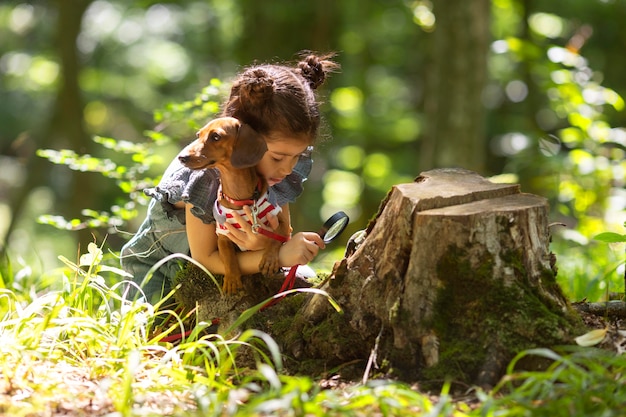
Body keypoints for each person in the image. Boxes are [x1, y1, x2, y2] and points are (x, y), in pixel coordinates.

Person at [120, 52, 340, 304]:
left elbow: (280, 231)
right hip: (162, 267)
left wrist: (270, 246)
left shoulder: (274, 174)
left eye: (296, 157)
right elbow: (206, 258)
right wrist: (277, 256)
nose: (288, 169)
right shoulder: (204, 175)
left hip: (236, 260)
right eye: (278, 158)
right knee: (147, 329)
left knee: (308, 289)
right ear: (246, 142)